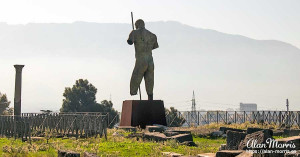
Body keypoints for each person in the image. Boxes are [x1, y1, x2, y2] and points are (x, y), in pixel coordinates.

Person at [127, 19, 159, 100]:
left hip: (141, 60)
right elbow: (154, 47)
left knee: (136, 76)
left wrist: (133, 35)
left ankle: (133, 92)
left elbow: (130, 42)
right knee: (150, 80)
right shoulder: (153, 35)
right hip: (150, 61)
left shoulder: (134, 32)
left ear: (137, 25)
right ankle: (150, 96)